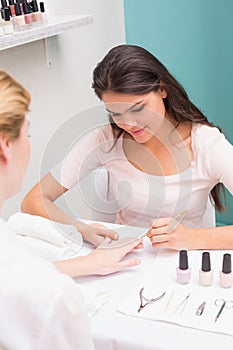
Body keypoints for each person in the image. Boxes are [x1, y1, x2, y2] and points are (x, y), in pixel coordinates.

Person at [22, 44, 233, 251]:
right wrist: (81, 229)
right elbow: (33, 201)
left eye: (138, 108)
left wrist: (191, 238)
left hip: (185, 266)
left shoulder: (205, 144)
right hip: (126, 262)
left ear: (162, 89)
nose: (130, 124)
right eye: (116, 113)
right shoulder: (106, 139)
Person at [0, 70, 142, 350]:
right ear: (6, 148)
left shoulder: (204, 141)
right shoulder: (51, 297)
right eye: (26, 134)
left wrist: (80, 265)